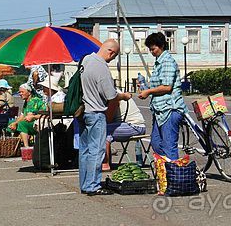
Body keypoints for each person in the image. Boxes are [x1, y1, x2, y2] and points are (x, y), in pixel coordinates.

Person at [79, 39, 131, 196]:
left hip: (83, 111)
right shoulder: (101, 67)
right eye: (113, 57)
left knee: (85, 150)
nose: (112, 60)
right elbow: (110, 95)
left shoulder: (86, 60)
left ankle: (85, 183)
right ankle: (93, 186)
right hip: (96, 113)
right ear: (111, 52)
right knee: (97, 150)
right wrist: (124, 95)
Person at [138, 32, 188, 160]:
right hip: (159, 110)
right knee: (155, 143)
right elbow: (157, 85)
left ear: (161, 46)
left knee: (169, 145)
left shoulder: (167, 62)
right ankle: (165, 170)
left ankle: (173, 176)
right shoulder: (159, 62)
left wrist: (148, 92)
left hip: (170, 109)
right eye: (150, 49)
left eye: (153, 49)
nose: (151, 52)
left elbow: (167, 87)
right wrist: (146, 88)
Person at [8, 83, 46, 148]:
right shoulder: (26, 102)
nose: (20, 94)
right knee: (10, 123)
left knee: (21, 124)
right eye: (19, 92)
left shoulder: (34, 100)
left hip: (37, 121)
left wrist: (16, 123)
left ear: (29, 92)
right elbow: (22, 115)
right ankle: (13, 145)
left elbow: (29, 116)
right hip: (29, 120)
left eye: (22, 92)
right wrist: (14, 123)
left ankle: (26, 147)